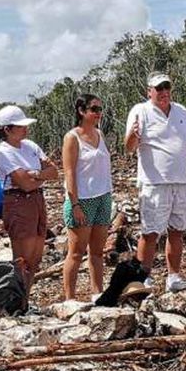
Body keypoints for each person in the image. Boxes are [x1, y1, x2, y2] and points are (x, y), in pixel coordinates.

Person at [125, 73, 186, 292]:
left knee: (177, 230)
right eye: (159, 88)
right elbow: (129, 147)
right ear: (148, 90)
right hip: (154, 183)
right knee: (150, 233)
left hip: (181, 181)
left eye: (166, 87)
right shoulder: (140, 111)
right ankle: (142, 278)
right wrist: (133, 135)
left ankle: (174, 277)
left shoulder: (181, 111)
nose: (163, 92)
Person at [0, 105, 58, 300]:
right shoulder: (3, 152)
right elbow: (24, 183)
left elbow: (53, 171)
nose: (25, 129)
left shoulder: (30, 146)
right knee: (23, 258)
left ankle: (24, 300)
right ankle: (16, 300)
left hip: (37, 199)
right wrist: (37, 176)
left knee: (36, 257)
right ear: (7, 129)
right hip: (19, 201)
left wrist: (35, 174)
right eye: (19, 126)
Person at [61, 94, 113, 301]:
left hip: (103, 196)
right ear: (82, 111)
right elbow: (69, 172)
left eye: (100, 109)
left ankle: (97, 293)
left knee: (98, 252)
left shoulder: (100, 134)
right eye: (94, 109)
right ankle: (69, 298)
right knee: (76, 252)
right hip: (82, 200)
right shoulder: (72, 138)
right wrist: (75, 204)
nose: (98, 113)